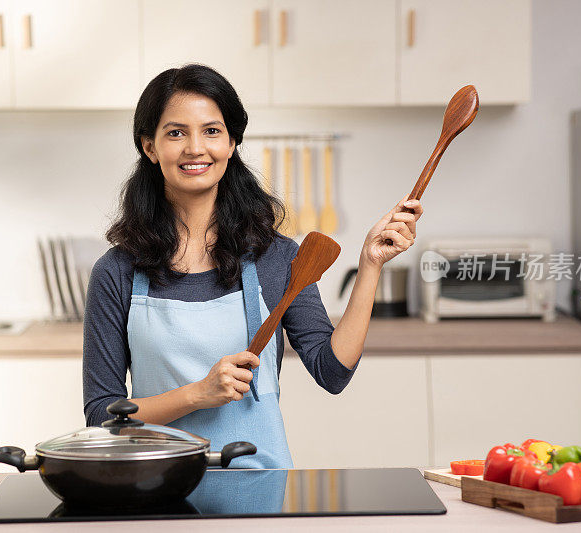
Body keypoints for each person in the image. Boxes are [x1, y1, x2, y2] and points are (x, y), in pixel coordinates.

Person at [82, 64, 423, 468]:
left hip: (256, 486)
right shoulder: (117, 270)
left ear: (231, 143)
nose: (195, 148)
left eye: (212, 131)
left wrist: (370, 265)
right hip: (155, 490)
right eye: (176, 132)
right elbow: (102, 416)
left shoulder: (276, 257)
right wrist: (198, 394)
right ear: (150, 147)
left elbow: (332, 372)